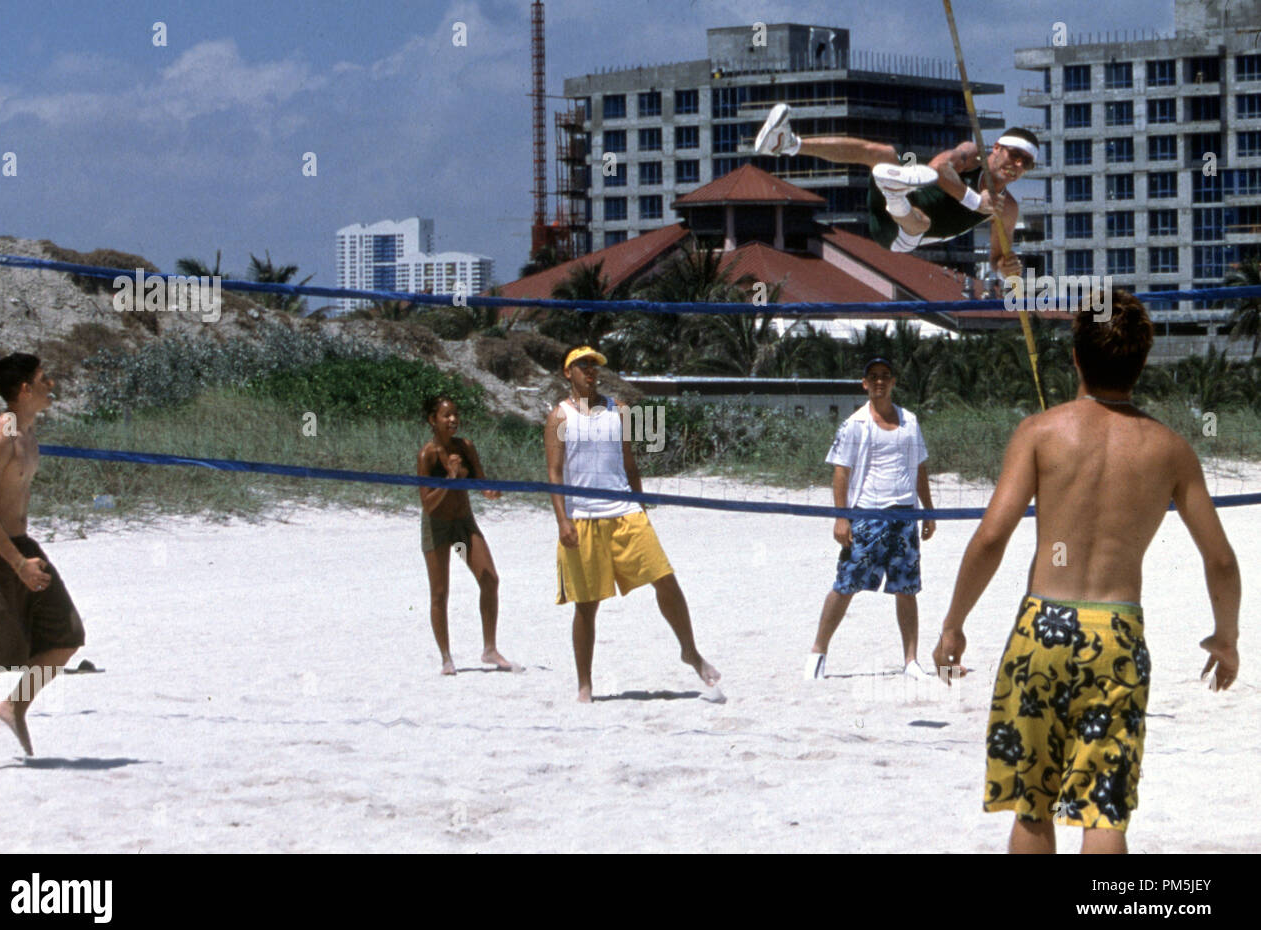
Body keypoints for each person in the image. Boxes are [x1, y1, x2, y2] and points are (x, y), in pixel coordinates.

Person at [933, 291, 1241, 854]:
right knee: (1105, 810)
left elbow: (991, 537)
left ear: (1075, 358)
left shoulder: (1041, 431)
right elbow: (1220, 559)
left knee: (1032, 805)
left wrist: (954, 622)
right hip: (1115, 633)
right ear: (1142, 363)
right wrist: (1227, 637)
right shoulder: (1170, 450)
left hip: (1042, 625)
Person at [543, 345, 720, 703]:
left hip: (625, 510)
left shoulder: (619, 410)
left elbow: (629, 461)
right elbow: (554, 473)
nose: (590, 371)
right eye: (582, 366)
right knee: (586, 606)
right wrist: (563, 520)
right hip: (583, 517)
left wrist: (641, 503)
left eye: (594, 366)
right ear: (568, 373)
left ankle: (690, 652)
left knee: (665, 579)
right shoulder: (559, 417)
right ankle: (585, 684)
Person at [0, 354, 84, 770]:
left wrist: (25, 555)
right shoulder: (0, 436)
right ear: (24, 390)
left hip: (21, 543)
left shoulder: (28, 432)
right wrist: (18, 564)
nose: (51, 383)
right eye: (42, 379)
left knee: (66, 634)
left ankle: (14, 707)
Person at [754, 102, 1032, 278]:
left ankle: (895, 194)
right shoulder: (971, 155)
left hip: (900, 234)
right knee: (882, 153)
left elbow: (997, 259)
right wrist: (975, 200)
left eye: (1025, 163)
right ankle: (788, 143)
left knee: (920, 220)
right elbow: (938, 168)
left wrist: (1004, 269)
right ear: (996, 148)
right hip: (888, 205)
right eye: (1014, 154)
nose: (1016, 165)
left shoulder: (1007, 209)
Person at [807, 356, 936, 683]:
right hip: (867, 515)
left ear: (893, 382)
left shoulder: (910, 421)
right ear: (865, 384)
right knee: (845, 584)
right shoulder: (855, 424)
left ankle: (910, 661)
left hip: (904, 516)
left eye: (885, 376)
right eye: (873, 377)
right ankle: (817, 653)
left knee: (907, 590)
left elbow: (920, 468)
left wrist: (929, 510)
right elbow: (841, 472)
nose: (879, 381)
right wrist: (842, 517)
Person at [417, 395, 513, 675]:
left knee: (489, 579)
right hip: (437, 527)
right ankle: (446, 657)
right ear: (432, 420)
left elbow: (480, 480)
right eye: (446, 415)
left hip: (461, 526)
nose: (453, 420)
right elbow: (428, 503)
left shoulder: (465, 446)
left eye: (455, 414)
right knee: (439, 592)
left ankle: (489, 648)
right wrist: (450, 479)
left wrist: (489, 491)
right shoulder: (428, 455)